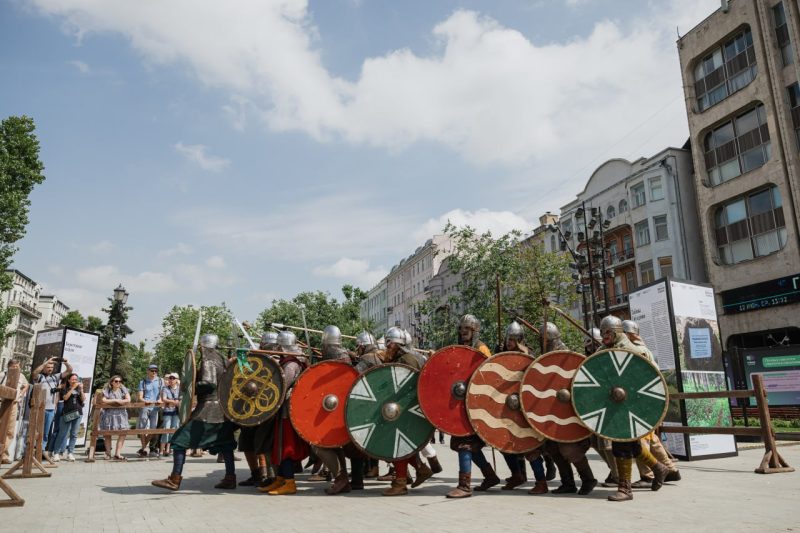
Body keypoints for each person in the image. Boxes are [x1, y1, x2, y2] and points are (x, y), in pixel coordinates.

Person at [152, 334, 239, 491]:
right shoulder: (223, 360)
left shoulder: (209, 359)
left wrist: (190, 387)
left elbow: (209, 384)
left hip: (207, 410)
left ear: (203, 346)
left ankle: (174, 479)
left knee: (179, 441)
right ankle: (230, 478)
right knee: (226, 445)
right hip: (223, 411)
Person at [600, 315, 668, 502]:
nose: (604, 336)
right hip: (614, 403)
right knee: (632, 444)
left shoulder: (631, 350)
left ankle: (625, 488)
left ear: (616, 333)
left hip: (631, 404)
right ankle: (658, 468)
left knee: (620, 443)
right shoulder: (604, 350)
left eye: (607, 332)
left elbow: (642, 379)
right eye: (602, 332)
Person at [622, 320, 681, 487]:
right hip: (647, 398)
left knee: (640, 439)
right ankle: (671, 469)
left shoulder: (637, 351)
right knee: (652, 438)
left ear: (630, 334)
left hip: (639, 399)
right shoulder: (644, 349)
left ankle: (647, 475)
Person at [446, 314, 498, 499]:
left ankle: (465, 485)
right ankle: (490, 476)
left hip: (475, 403)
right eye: (461, 329)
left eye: (466, 329)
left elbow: (488, 374)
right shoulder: (461, 348)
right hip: (461, 402)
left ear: (474, 331)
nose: (463, 332)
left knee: (466, 444)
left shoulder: (481, 348)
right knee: (467, 445)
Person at [379, 326, 432, 496]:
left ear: (394, 345)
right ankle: (421, 468)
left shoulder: (403, 361)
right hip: (416, 408)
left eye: (388, 345)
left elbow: (398, 388)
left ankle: (400, 483)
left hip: (404, 409)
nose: (387, 349)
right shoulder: (417, 357)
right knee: (403, 444)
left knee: (397, 444)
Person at [258, 331, 309, 495]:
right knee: (279, 445)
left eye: (279, 345)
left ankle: (290, 482)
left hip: (288, 409)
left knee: (287, 447)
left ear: (284, 345)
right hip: (283, 409)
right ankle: (281, 479)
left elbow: (282, 386)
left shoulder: (292, 364)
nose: (277, 348)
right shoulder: (288, 361)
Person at [238, 332, 278, 488]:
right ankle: (257, 475)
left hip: (268, 408)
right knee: (248, 443)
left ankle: (265, 475)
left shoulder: (275, 361)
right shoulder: (256, 360)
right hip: (249, 407)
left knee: (262, 444)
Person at [31, 356, 73, 459]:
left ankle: (41, 452)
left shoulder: (55, 377)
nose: (50, 368)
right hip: (39, 408)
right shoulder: (40, 377)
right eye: (48, 367)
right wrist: (46, 362)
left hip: (50, 409)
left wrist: (66, 362)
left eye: (51, 367)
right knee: (35, 431)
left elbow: (69, 371)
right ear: (44, 367)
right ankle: (31, 451)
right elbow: (34, 373)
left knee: (45, 433)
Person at [0, 359, 29, 464]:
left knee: (10, 431)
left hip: (14, 405)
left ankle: (3, 454)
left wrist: (21, 394)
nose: (16, 368)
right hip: (2, 403)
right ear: (9, 366)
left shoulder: (21, 376)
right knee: (1, 429)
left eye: (17, 366)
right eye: (13, 366)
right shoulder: (2, 374)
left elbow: (26, 384)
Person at [52, 373, 85, 462]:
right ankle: (56, 453)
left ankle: (70, 453)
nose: (75, 381)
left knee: (74, 434)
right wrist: (73, 388)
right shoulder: (64, 388)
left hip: (78, 413)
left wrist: (81, 390)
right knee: (62, 433)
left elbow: (83, 399)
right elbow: (65, 398)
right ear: (69, 380)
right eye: (73, 379)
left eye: (76, 379)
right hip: (67, 413)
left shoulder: (79, 389)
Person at [98, 375, 131, 460]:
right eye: (116, 381)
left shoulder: (123, 389)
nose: (118, 383)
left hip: (121, 414)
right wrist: (116, 401)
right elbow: (103, 400)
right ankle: (108, 453)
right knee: (107, 434)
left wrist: (121, 401)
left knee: (123, 433)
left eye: (120, 381)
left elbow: (128, 399)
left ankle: (118, 453)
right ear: (112, 382)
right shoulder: (107, 390)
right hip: (109, 414)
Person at [137, 364, 164, 458]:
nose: (154, 372)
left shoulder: (160, 381)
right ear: (148, 371)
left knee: (153, 429)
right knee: (142, 428)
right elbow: (140, 397)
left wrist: (160, 400)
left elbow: (162, 394)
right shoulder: (143, 382)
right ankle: (144, 448)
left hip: (155, 408)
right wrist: (145, 401)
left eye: (156, 371)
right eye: (152, 371)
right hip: (145, 406)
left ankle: (143, 447)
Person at [159, 373, 181, 457]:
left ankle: (169, 449)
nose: (171, 380)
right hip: (168, 411)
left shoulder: (180, 389)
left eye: (173, 378)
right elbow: (164, 398)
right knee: (166, 430)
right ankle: (161, 451)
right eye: (170, 378)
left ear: (176, 380)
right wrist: (173, 402)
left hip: (176, 412)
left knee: (173, 430)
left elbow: (182, 398)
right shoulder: (165, 389)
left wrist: (175, 402)